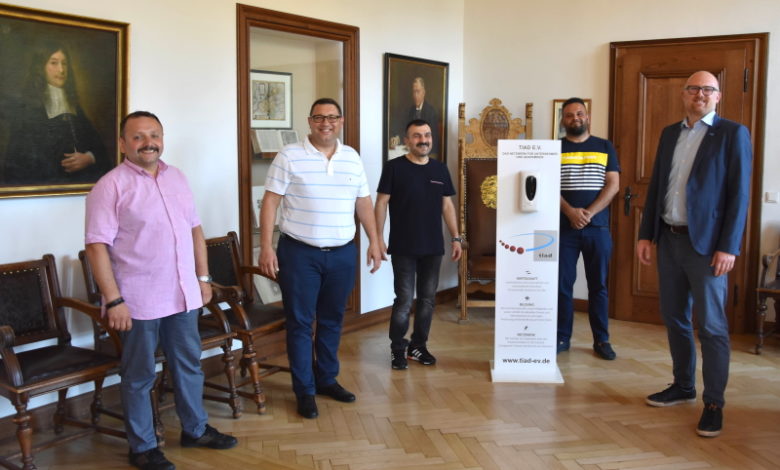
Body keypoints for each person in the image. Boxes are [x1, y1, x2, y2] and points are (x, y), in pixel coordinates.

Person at [85, 111, 237, 470]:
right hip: (137, 301)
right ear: (123, 144)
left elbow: (195, 231)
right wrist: (114, 299)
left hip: (183, 293)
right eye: (138, 137)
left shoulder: (177, 178)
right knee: (139, 376)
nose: (148, 142)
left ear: (163, 139)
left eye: (154, 135)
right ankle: (142, 447)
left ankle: (195, 429)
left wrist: (202, 279)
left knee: (189, 365)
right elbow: (96, 247)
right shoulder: (110, 186)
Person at [637, 71, 752, 438]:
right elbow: (658, 186)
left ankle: (714, 402)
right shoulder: (670, 133)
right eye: (693, 88)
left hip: (707, 248)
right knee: (674, 317)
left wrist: (729, 246)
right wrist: (646, 234)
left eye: (708, 89)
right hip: (669, 239)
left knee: (714, 328)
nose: (700, 94)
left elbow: (739, 195)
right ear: (684, 94)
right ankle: (683, 385)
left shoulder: (733, 134)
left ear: (718, 96)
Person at [258, 98, 383, 419]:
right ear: (310, 121)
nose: (325, 123)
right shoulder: (289, 155)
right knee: (300, 323)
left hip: (342, 253)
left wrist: (375, 240)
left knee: (332, 320)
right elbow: (270, 202)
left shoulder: (352, 157)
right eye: (318, 118)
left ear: (340, 121)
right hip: (300, 253)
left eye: (331, 117)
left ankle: (326, 379)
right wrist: (266, 247)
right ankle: (304, 390)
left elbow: (364, 202)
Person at [375, 119, 462, 370]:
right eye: (416, 136)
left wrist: (456, 237)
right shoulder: (394, 168)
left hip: (433, 247)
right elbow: (381, 203)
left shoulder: (440, 169)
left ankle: (418, 346)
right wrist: (378, 238)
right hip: (403, 247)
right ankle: (397, 349)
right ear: (407, 141)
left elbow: (447, 205)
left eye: (426, 135)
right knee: (403, 300)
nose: (423, 140)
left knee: (427, 300)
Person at [557, 97, 620, 360]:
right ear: (563, 120)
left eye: (580, 114)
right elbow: (547, 185)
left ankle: (601, 340)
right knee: (562, 286)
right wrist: (570, 212)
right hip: (564, 228)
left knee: (599, 286)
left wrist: (588, 213)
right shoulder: (554, 148)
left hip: (598, 228)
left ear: (588, 116)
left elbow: (613, 185)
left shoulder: (605, 146)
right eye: (570, 115)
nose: (575, 119)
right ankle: (562, 337)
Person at [2, 42, 109, 185]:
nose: (61, 70)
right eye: (54, 63)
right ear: (41, 67)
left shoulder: (74, 106)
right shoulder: (27, 108)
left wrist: (89, 158)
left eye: (64, 64)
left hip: (80, 186)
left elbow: (98, 146)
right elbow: (18, 159)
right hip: (44, 188)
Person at [390, 77, 440, 157]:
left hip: (425, 153)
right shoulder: (410, 110)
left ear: (423, 93)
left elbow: (433, 139)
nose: (415, 95)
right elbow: (404, 130)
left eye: (418, 92)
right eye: (414, 92)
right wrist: (397, 138)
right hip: (411, 150)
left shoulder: (431, 112)